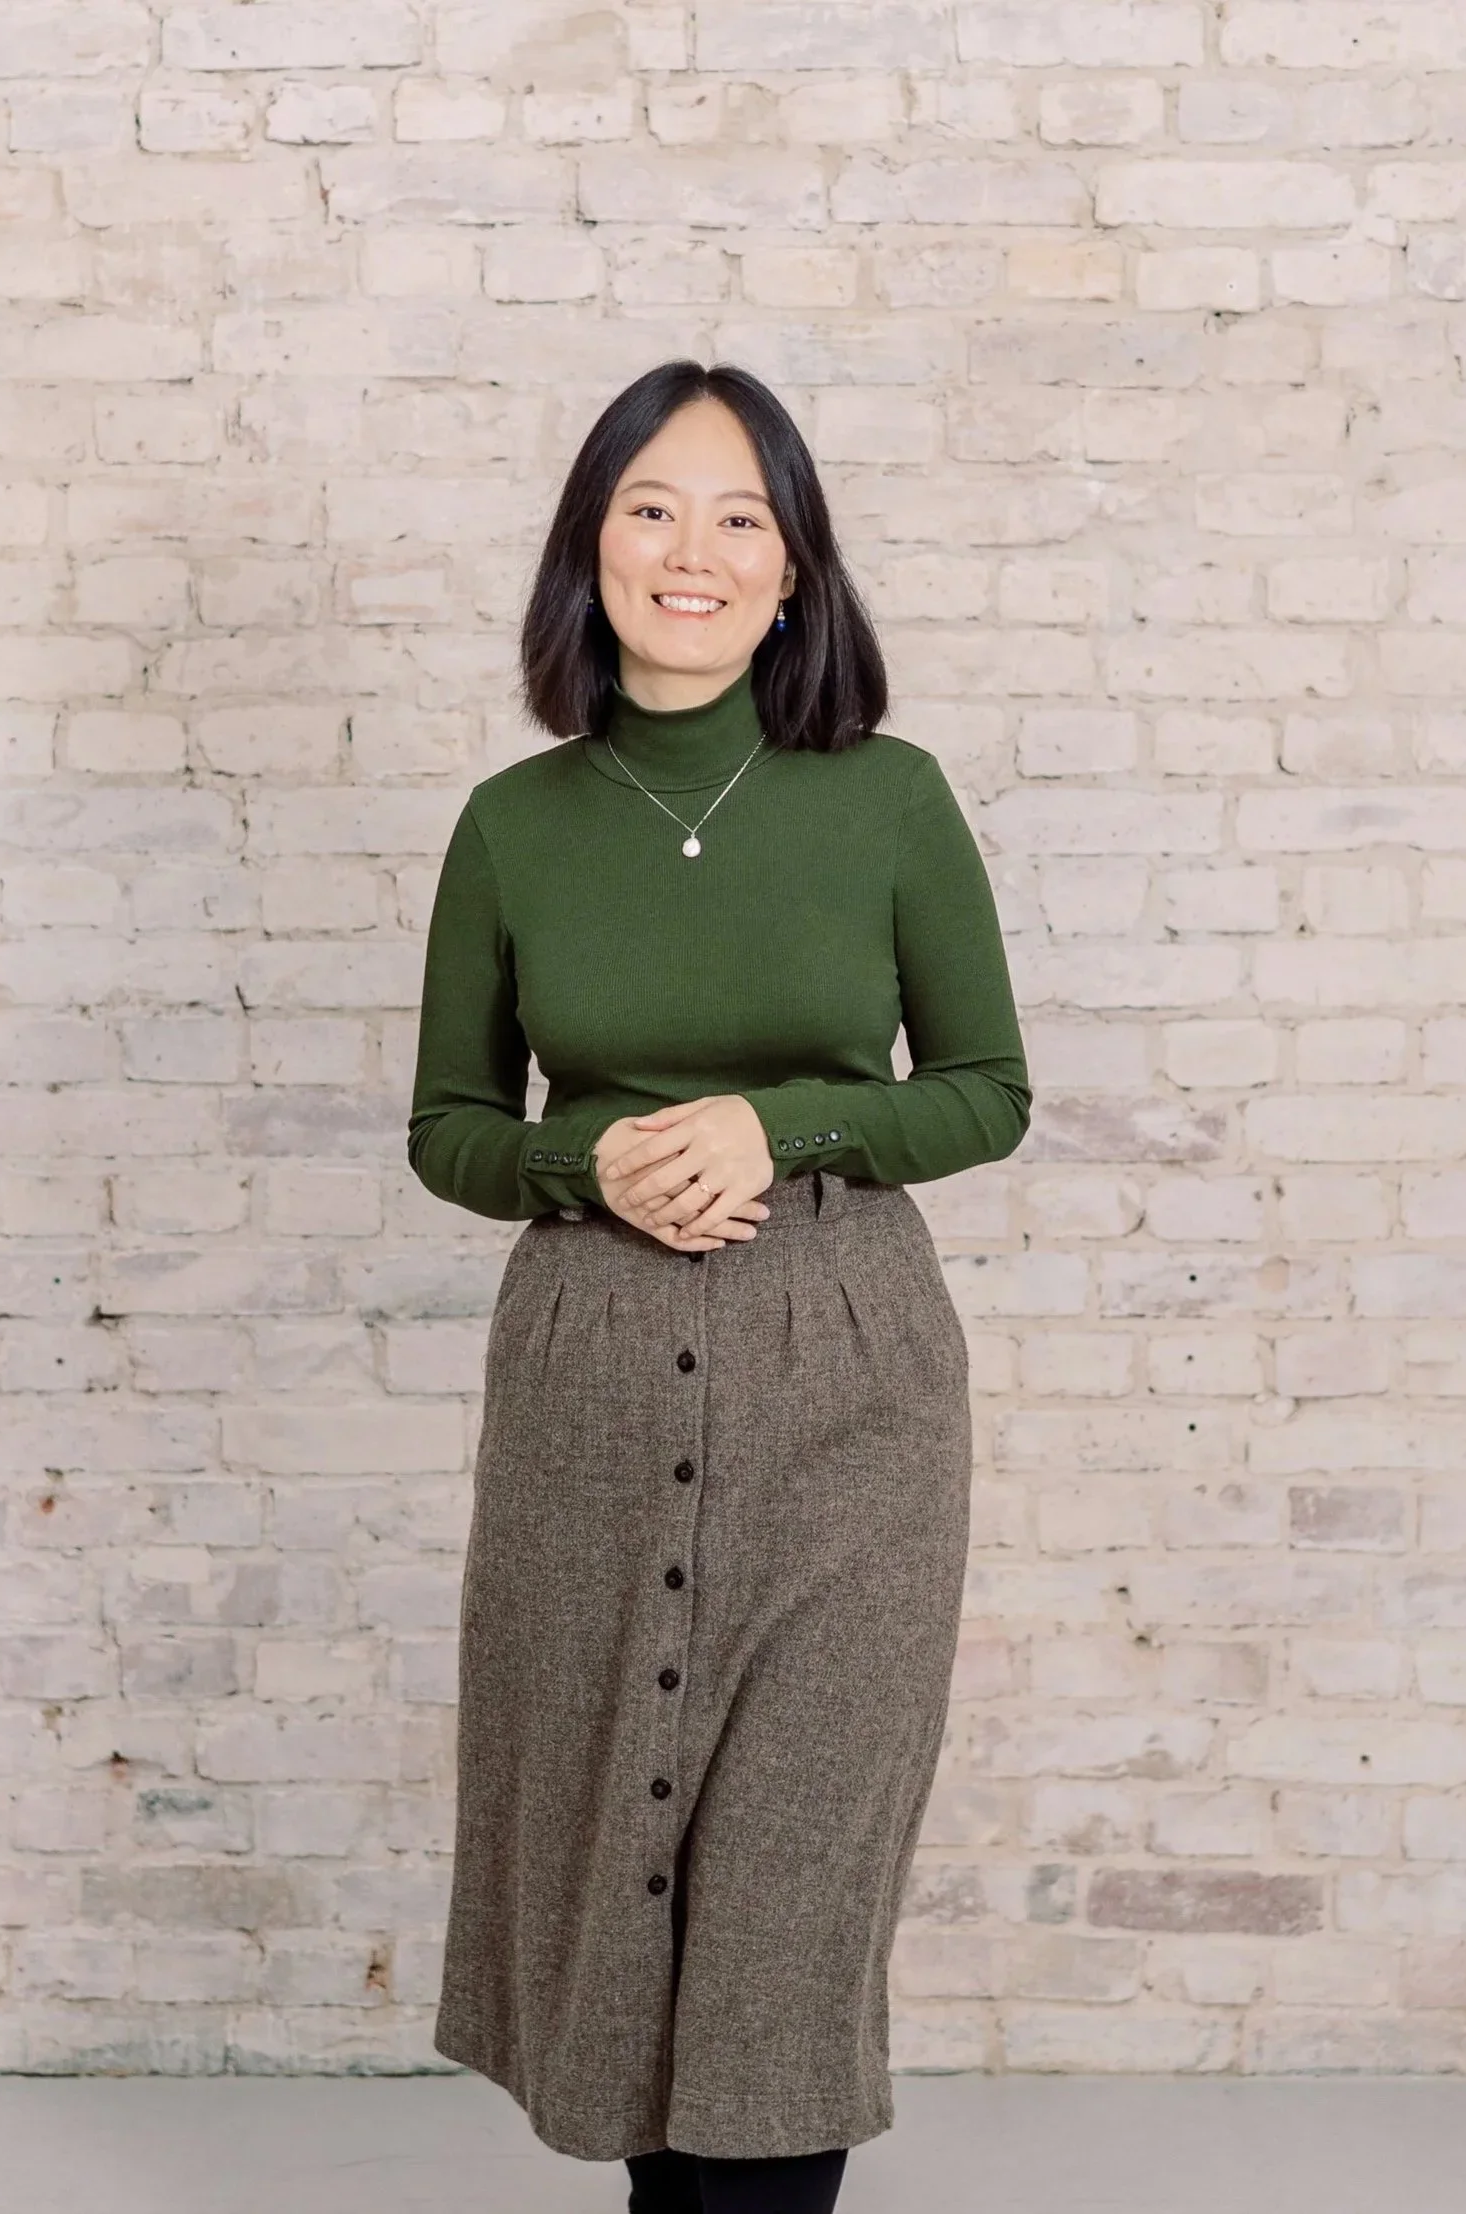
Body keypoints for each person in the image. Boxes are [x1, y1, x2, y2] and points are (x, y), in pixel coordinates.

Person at [407, 360, 1032, 2214]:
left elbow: (986, 1092)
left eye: (742, 515)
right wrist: (572, 1160)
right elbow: (450, 1125)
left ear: (792, 573)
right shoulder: (514, 825)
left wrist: (788, 1127)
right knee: (616, 1897)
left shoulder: (889, 800)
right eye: (653, 508)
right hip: (586, 1388)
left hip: (849, 1384)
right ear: (588, 548)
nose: (695, 550)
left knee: (782, 1912)